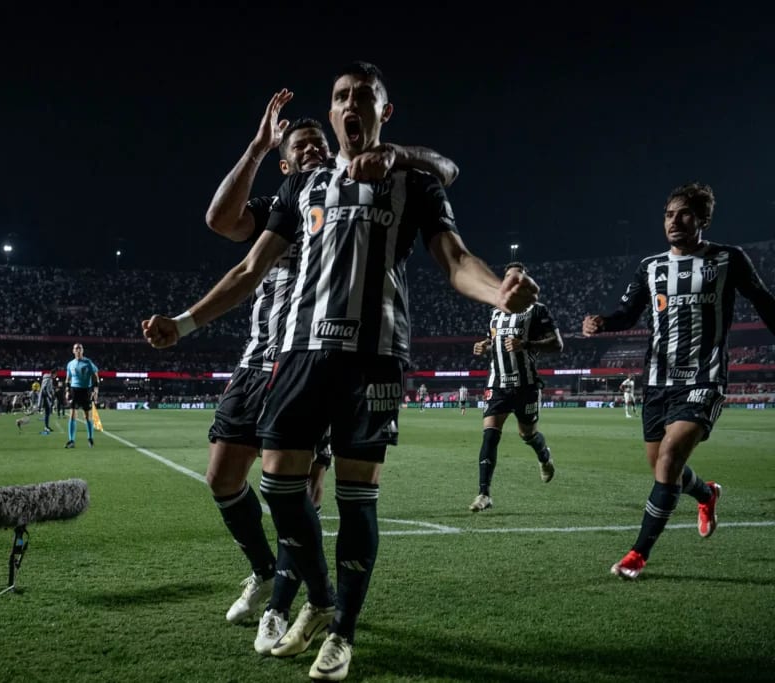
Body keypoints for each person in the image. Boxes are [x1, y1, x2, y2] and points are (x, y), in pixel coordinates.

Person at [143, 62, 538, 681]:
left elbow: (455, 259)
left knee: (356, 499)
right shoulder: (302, 189)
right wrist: (187, 322)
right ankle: (321, 598)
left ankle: (343, 632)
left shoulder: (416, 183)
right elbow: (248, 270)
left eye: (363, 97)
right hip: (299, 355)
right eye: (341, 97)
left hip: (375, 359)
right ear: (332, 115)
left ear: (384, 111)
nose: (350, 104)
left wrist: (498, 294)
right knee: (278, 486)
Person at [200, 88, 460, 655]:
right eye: (303, 144)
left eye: (321, 140)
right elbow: (223, 223)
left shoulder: (367, 195)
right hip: (263, 359)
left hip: (323, 358)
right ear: (288, 162)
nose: (316, 147)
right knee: (226, 479)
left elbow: (441, 172)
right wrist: (258, 148)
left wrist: (395, 157)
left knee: (307, 490)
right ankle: (269, 574)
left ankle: (289, 607)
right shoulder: (286, 203)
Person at [583, 182, 775, 580]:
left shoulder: (727, 259)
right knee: (662, 468)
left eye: (684, 213)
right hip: (657, 380)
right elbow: (628, 313)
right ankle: (707, 494)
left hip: (704, 377)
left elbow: (763, 301)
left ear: (702, 219)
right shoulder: (650, 267)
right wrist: (602, 322)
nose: (674, 221)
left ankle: (638, 554)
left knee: (669, 459)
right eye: (669, 214)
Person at [468, 262, 562, 512]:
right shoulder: (495, 311)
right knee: (489, 435)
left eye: (517, 278)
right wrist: (484, 346)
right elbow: (492, 340)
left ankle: (544, 457)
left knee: (527, 434)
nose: (512, 281)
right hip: (497, 383)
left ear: (524, 282)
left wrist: (527, 344)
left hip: (526, 385)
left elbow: (557, 344)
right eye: (508, 277)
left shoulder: (537, 310)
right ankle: (484, 494)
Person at [65, 343, 99, 448]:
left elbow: (96, 377)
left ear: (82, 350)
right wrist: (67, 390)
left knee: (87, 416)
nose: (78, 350)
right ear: (73, 351)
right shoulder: (70, 364)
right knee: (72, 415)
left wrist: (95, 391)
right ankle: (71, 441)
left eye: (80, 348)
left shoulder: (88, 362)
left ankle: (90, 439)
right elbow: (68, 379)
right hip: (74, 390)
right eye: (76, 348)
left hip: (86, 390)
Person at [38, 371, 55, 435]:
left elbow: (48, 388)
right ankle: (46, 427)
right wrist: (49, 396)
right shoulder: (48, 379)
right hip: (45, 397)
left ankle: (46, 426)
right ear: (53, 373)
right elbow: (44, 389)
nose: (55, 376)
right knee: (47, 412)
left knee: (47, 412)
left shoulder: (48, 379)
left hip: (46, 397)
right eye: (55, 374)